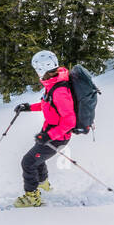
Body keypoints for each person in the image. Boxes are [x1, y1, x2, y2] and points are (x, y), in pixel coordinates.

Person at [11, 50, 75, 207]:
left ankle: (32, 197)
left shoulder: (59, 90)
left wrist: (49, 136)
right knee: (37, 160)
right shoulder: (53, 84)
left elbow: (70, 121)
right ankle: (43, 185)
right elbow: (48, 104)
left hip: (57, 137)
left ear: (41, 69)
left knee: (28, 162)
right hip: (49, 134)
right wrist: (28, 108)